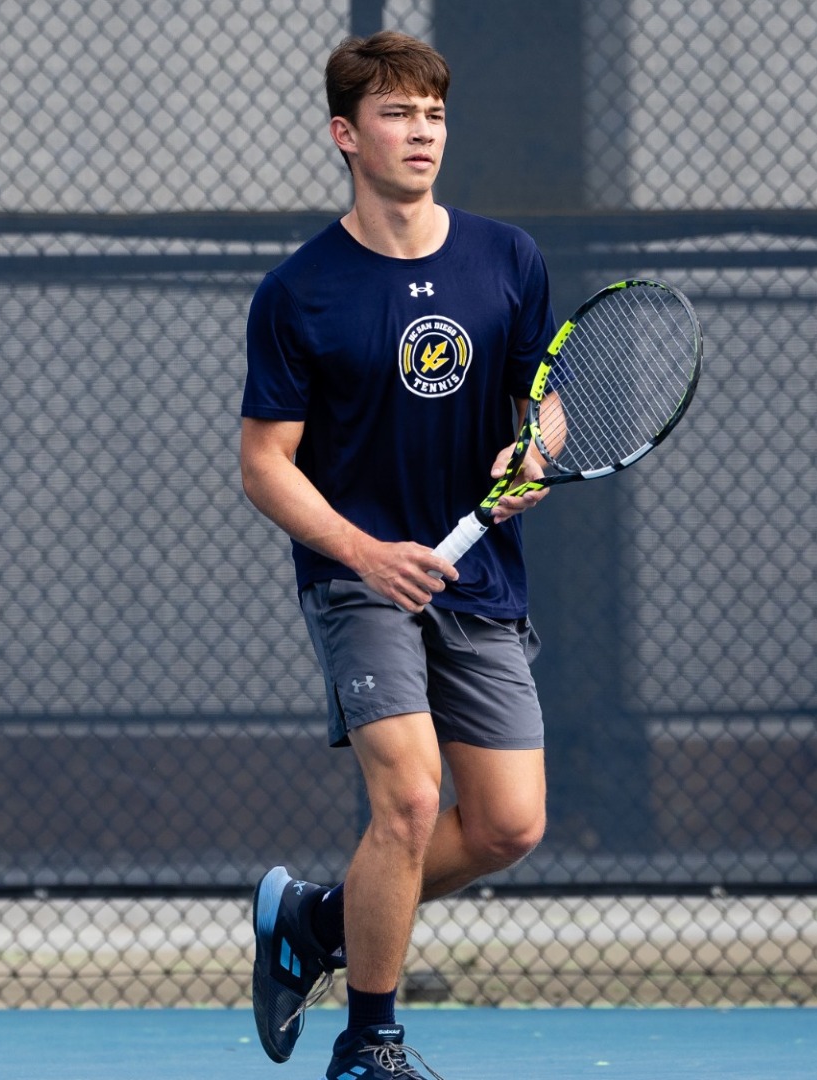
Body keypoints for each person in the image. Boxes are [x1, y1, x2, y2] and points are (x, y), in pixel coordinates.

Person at [239, 29, 558, 1080]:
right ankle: (369, 1041)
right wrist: (366, 554)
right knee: (413, 804)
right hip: (360, 582)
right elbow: (266, 465)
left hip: (480, 580)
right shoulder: (299, 292)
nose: (422, 133)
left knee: (509, 825)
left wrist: (537, 451)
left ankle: (316, 923)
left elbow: (547, 407)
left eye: (434, 115)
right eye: (396, 114)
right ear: (346, 134)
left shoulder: (508, 259)